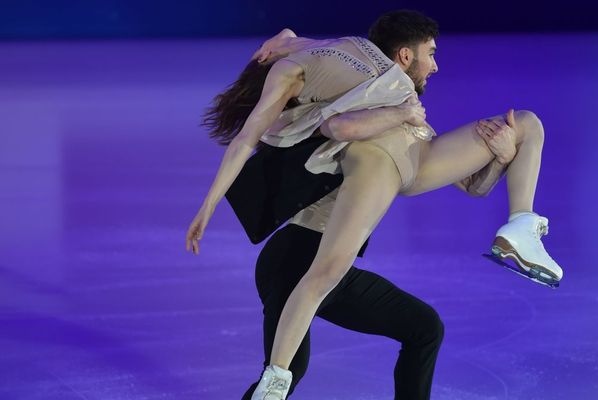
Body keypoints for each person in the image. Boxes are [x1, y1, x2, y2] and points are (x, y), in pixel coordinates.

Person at [186, 10, 563, 399]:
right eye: (430, 54)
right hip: (295, 254)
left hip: (399, 168)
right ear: (403, 55)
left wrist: (501, 157)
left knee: (526, 126)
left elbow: (473, 187)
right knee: (308, 327)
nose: (435, 66)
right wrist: (207, 207)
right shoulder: (330, 88)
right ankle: (274, 381)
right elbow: (318, 127)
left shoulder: (373, 82)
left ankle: (520, 222)